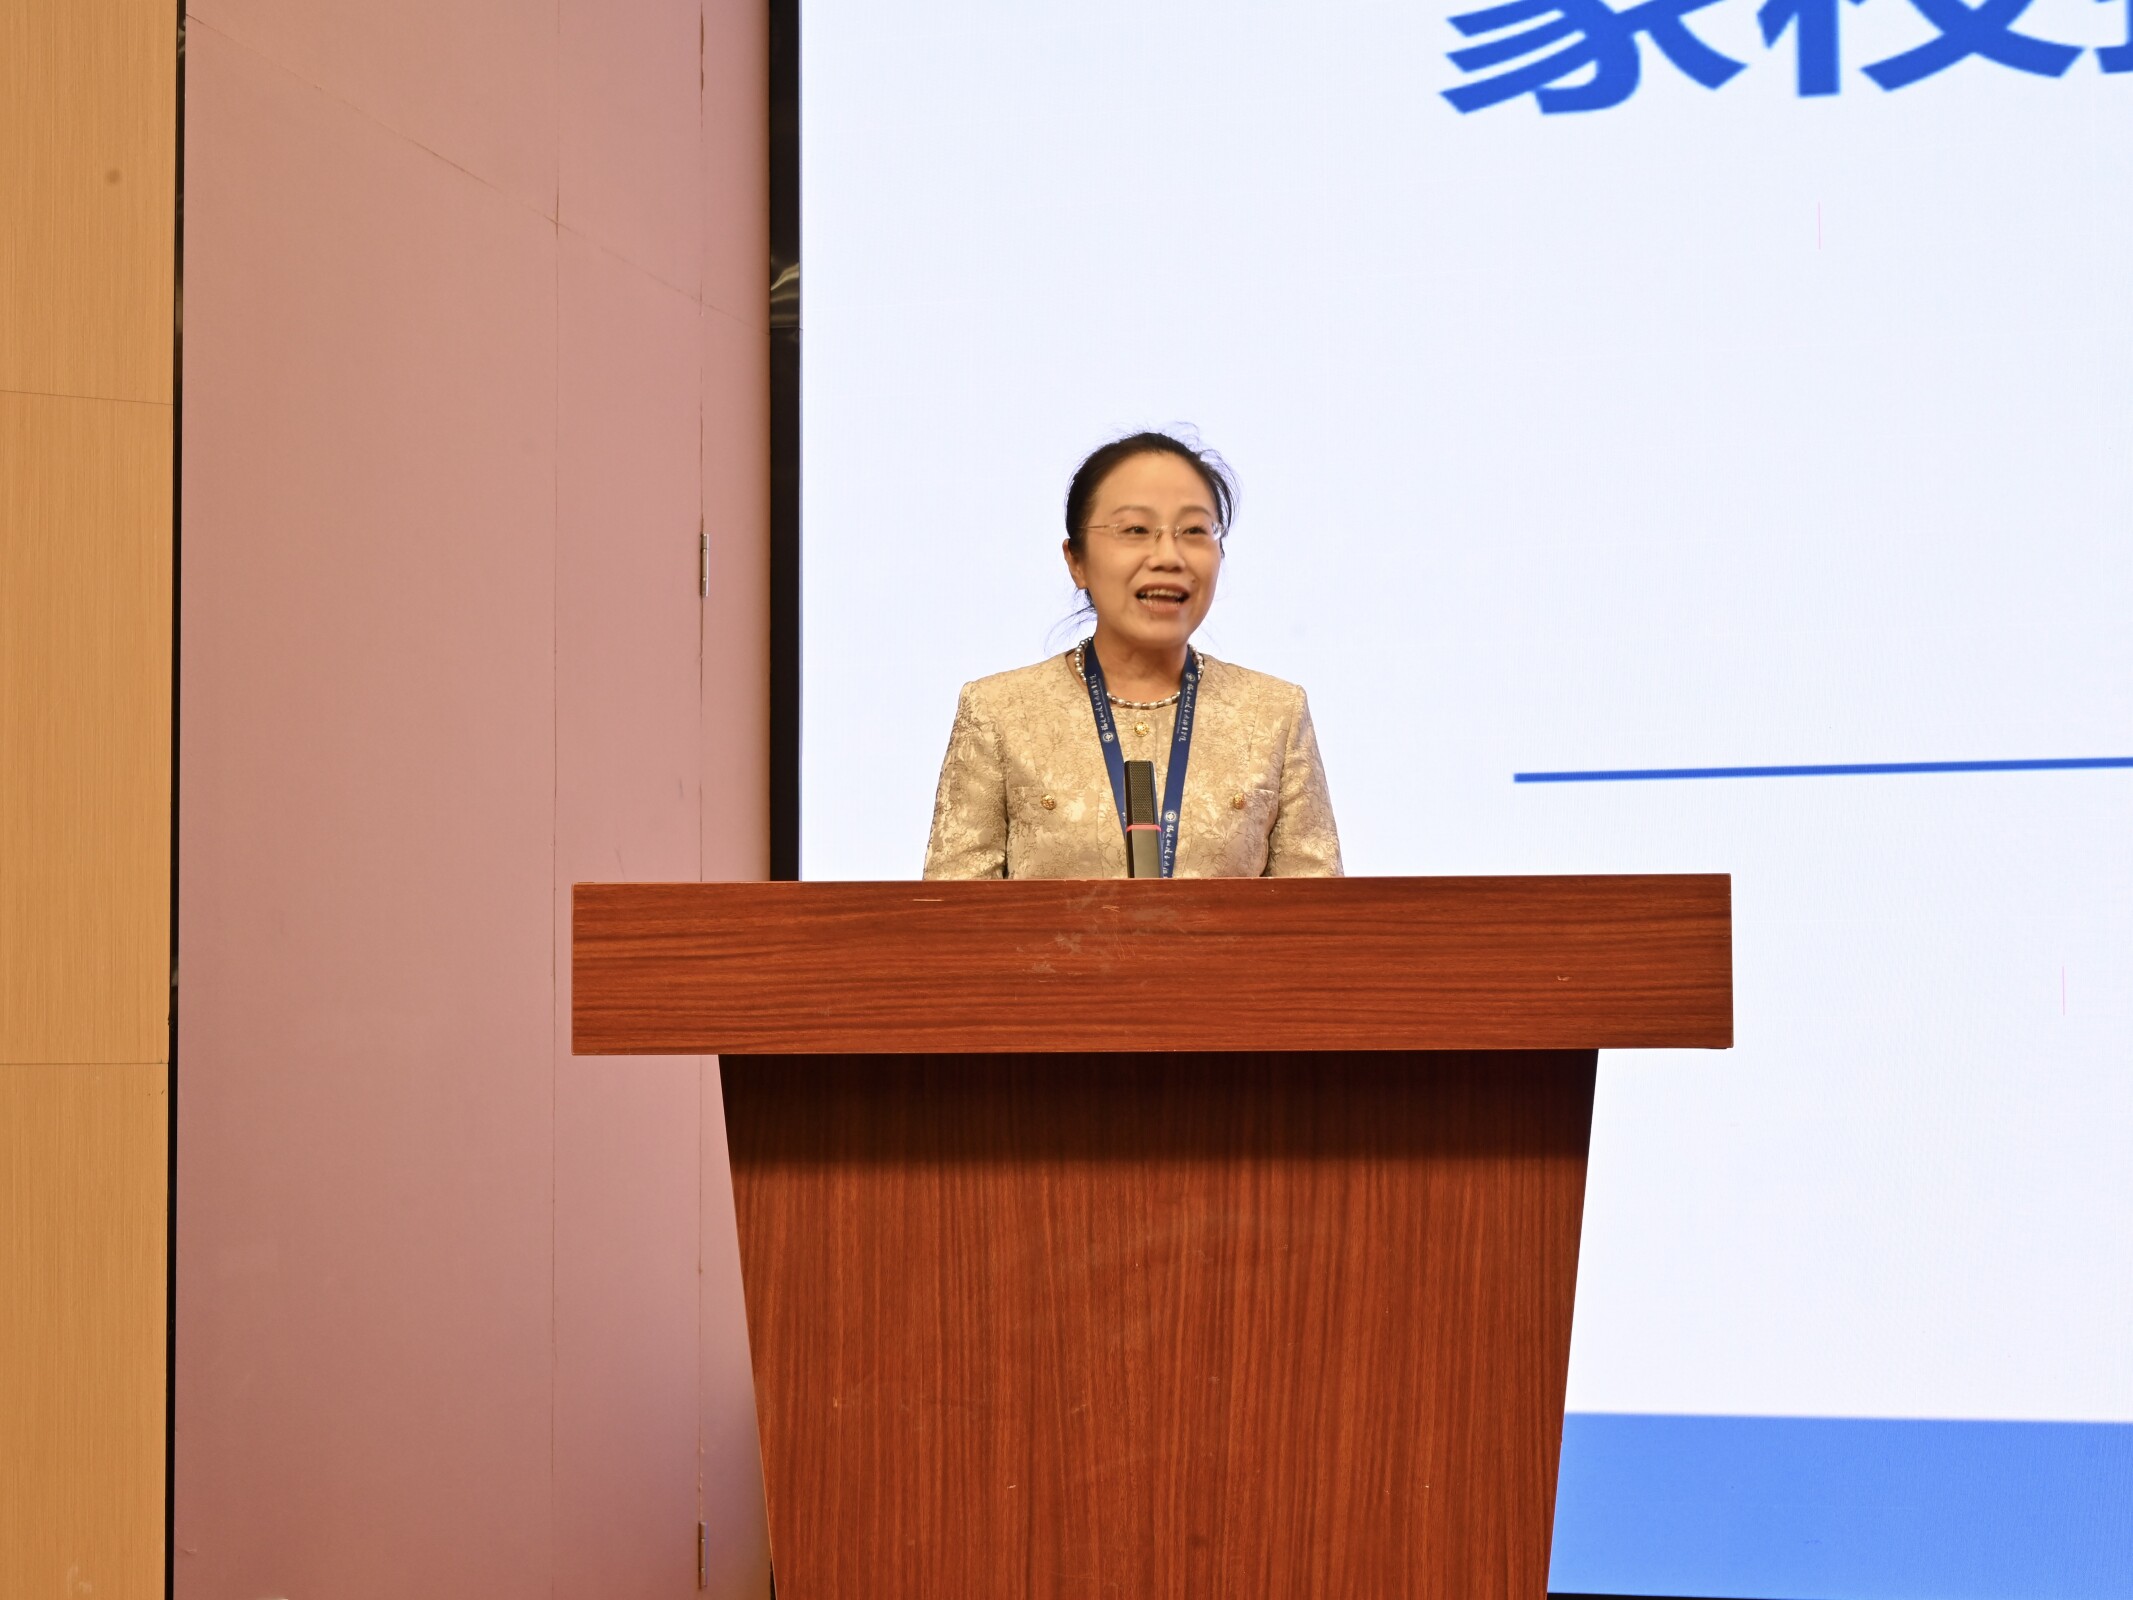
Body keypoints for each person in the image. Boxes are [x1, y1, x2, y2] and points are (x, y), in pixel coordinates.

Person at [923, 430, 1342, 879]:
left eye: (1194, 530)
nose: (1168, 557)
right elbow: (955, 913)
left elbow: (1317, 915)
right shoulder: (999, 711)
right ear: (1076, 560)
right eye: (1136, 530)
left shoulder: (1275, 713)